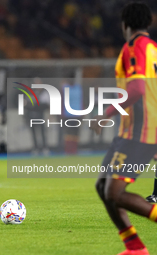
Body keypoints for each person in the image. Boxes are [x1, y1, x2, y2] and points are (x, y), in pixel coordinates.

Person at [91, 3, 157, 255]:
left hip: (141, 132)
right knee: (103, 187)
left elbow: (138, 89)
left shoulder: (134, 47)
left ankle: (135, 247)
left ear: (125, 25)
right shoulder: (153, 49)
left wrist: (106, 114)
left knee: (114, 192)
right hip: (133, 132)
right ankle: (134, 247)